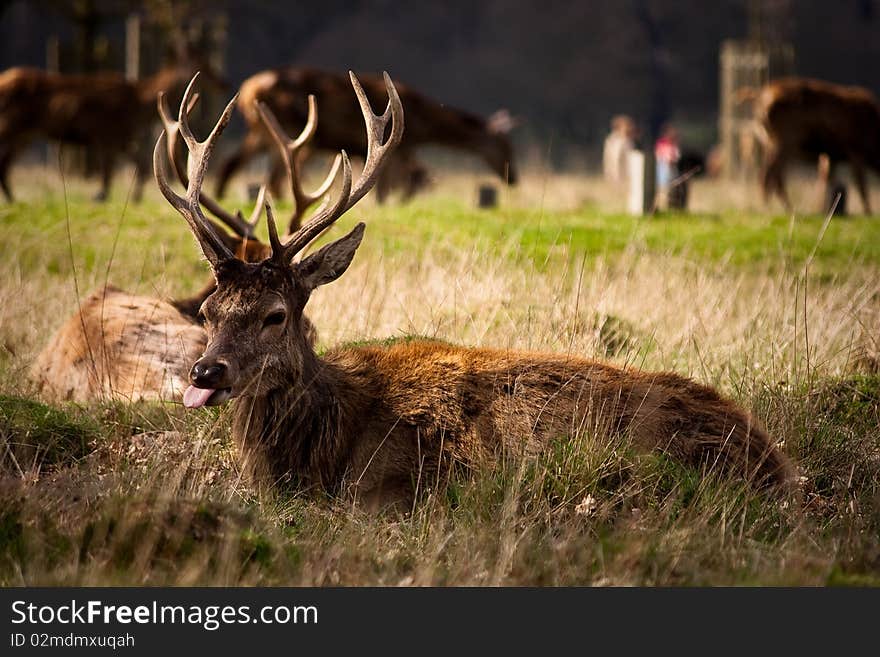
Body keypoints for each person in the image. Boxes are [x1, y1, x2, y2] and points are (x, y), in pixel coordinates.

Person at [602, 114, 637, 184]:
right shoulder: (614, 141)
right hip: (618, 178)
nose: (630, 128)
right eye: (628, 126)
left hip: (627, 176)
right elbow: (614, 161)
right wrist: (616, 179)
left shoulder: (629, 141)